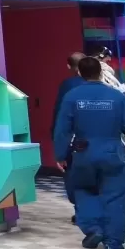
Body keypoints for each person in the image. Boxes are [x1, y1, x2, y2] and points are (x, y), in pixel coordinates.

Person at [54, 56, 125, 249]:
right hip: (112, 154)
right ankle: (114, 244)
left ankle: (94, 229)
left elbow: (62, 130)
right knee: (115, 197)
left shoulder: (72, 96)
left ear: (80, 73)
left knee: (84, 191)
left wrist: (60, 155)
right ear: (101, 72)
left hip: (83, 154)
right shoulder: (116, 96)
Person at [53, 52, 88, 222]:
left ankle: (81, 212)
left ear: (69, 66)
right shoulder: (105, 85)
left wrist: (59, 149)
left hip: (75, 141)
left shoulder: (68, 86)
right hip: (102, 142)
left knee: (74, 177)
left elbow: (61, 117)